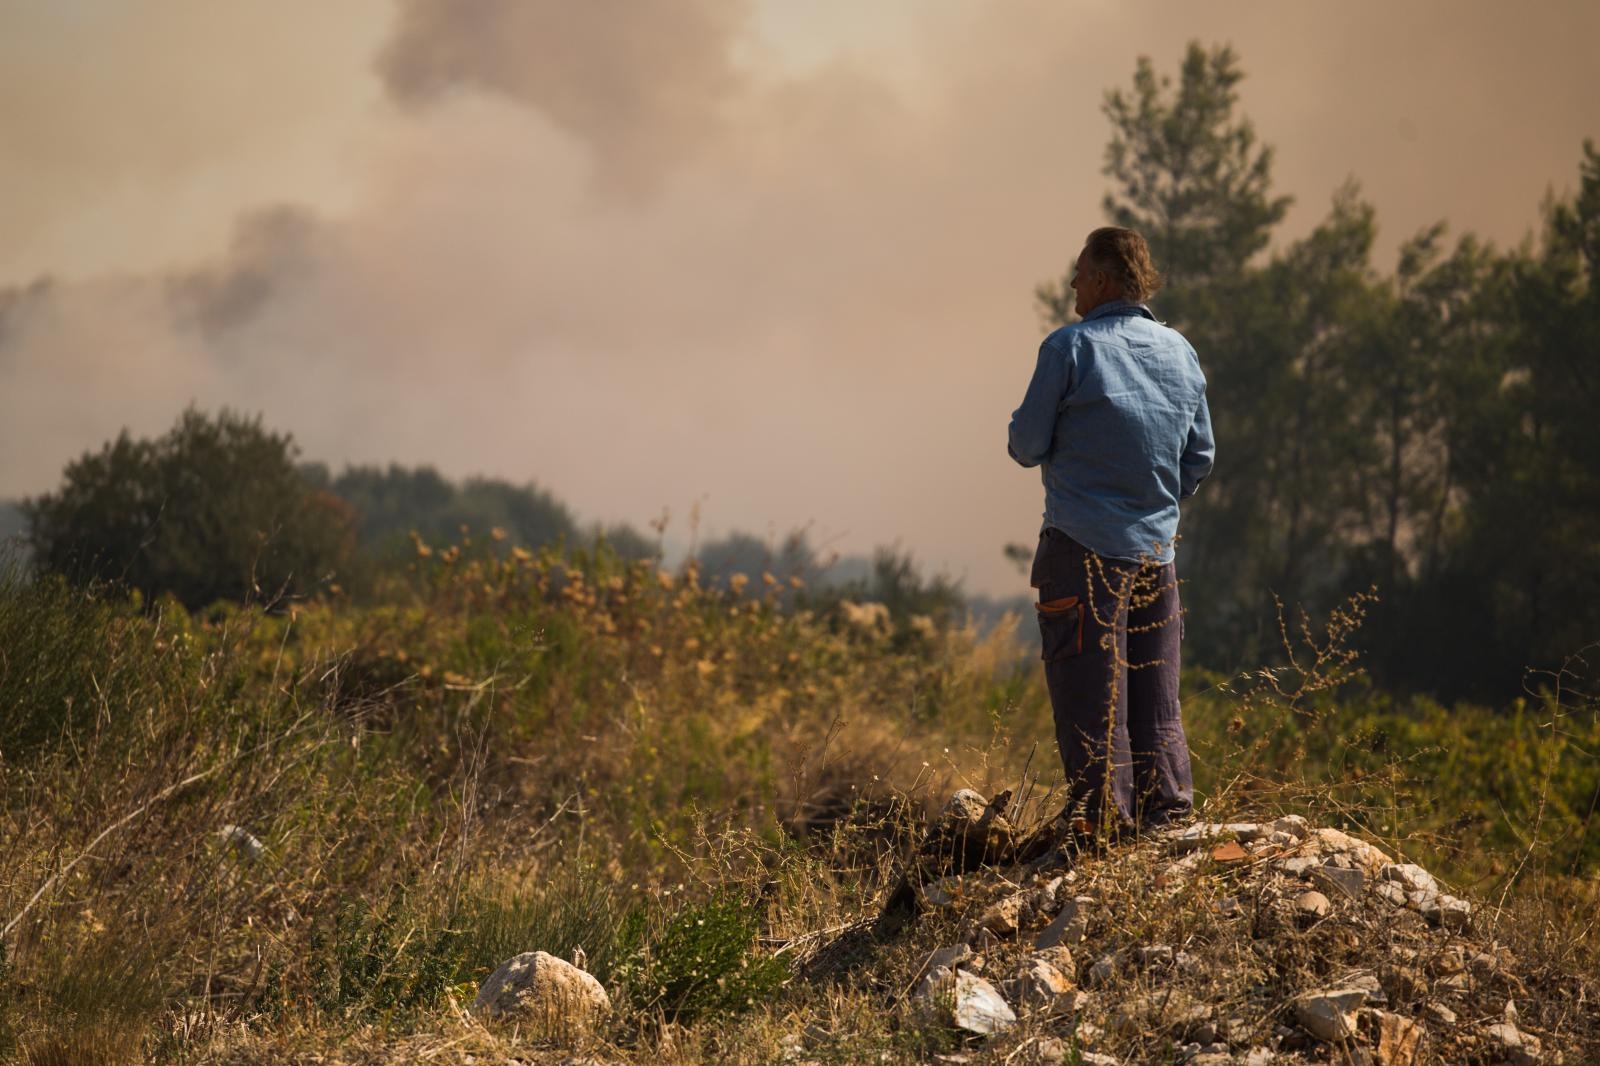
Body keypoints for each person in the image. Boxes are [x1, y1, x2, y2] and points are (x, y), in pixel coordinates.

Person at [1007, 225, 1214, 841]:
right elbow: (1198, 458)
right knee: (1156, 691)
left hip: (1080, 550)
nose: (1071, 283)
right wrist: (1150, 503)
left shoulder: (1068, 348)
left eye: (1079, 272)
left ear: (1101, 279)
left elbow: (1024, 445)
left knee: (1090, 694)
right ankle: (1168, 820)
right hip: (1157, 555)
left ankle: (1103, 828)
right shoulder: (1181, 352)